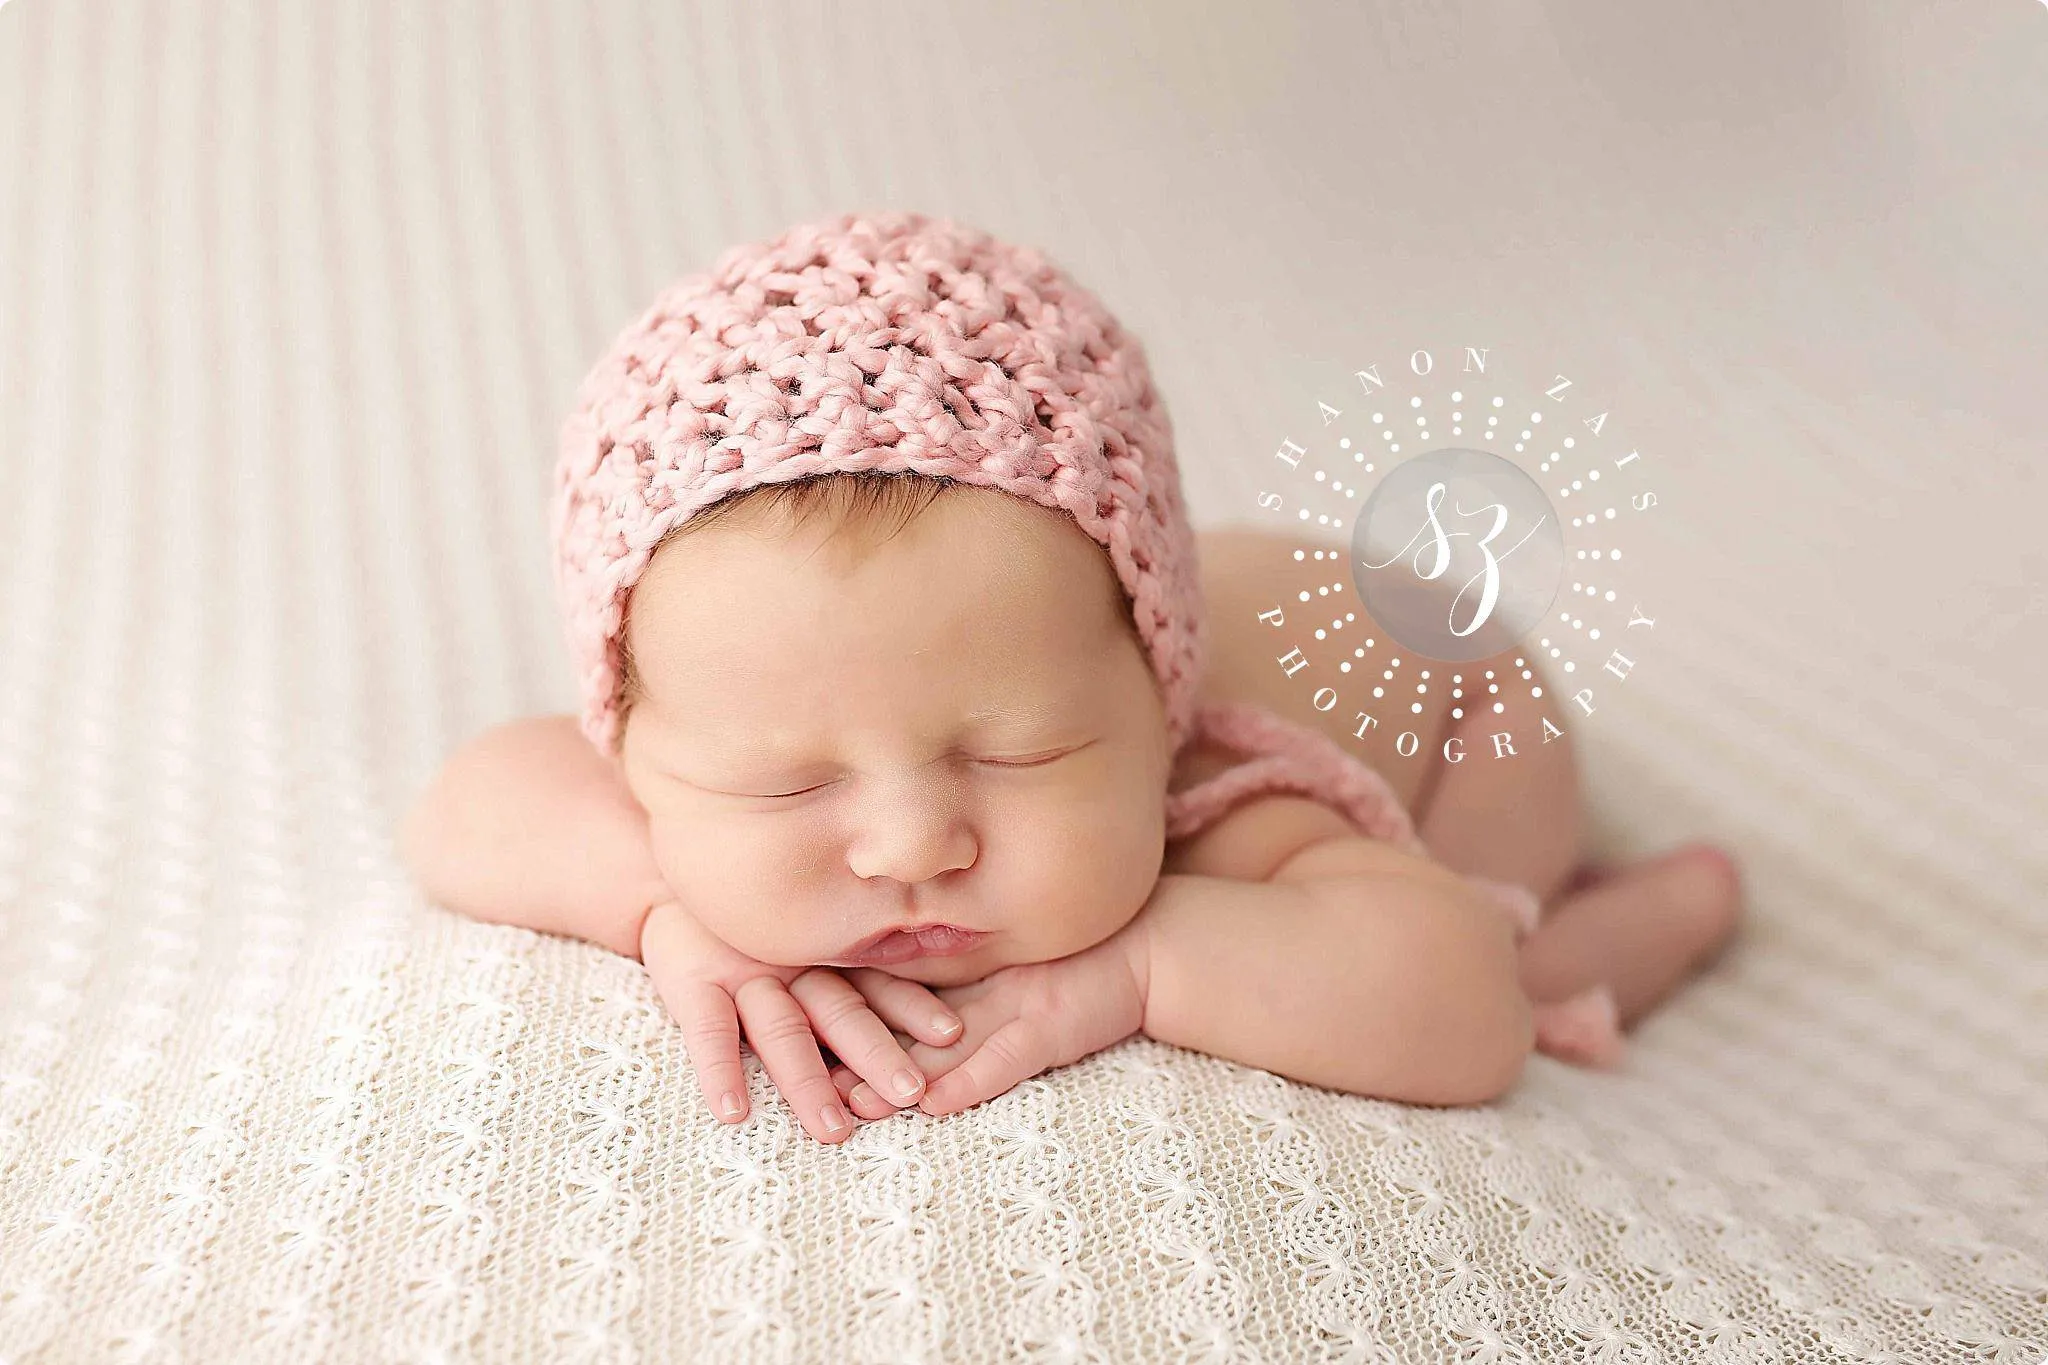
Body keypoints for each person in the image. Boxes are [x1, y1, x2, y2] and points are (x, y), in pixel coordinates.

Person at [399, 211, 1744, 1145]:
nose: (914, 844)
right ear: (627, 734)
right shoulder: (702, 705)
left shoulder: (1220, 802)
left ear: (1155, 709)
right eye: (782, 783)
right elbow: (466, 804)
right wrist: (658, 912)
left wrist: (1149, 964)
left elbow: (1457, 1013)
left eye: (1018, 751)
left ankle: (1661, 918)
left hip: (1461, 693)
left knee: (1504, 937)